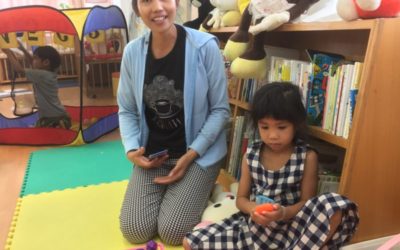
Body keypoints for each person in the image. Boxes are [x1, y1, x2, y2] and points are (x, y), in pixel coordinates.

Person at [183, 82, 359, 249]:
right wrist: (254, 210)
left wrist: (283, 213)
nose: (273, 135)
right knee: (190, 242)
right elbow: (241, 200)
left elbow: (307, 203)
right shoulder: (251, 155)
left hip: (293, 228)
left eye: (281, 127)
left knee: (336, 205)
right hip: (255, 228)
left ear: (295, 125)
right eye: (265, 127)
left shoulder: (307, 156)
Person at [117, 0, 230, 246]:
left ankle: (201, 186)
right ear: (137, 9)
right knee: (134, 229)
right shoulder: (133, 53)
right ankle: (181, 193)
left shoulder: (205, 46)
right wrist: (132, 150)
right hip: (153, 157)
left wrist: (190, 155)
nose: (158, 7)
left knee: (172, 232)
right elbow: (126, 110)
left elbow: (221, 110)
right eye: (147, 1)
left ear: (176, 2)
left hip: (196, 155)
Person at [1, 43, 71, 129]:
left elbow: (19, 70)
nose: (33, 60)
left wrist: (8, 53)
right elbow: (32, 63)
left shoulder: (41, 75)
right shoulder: (48, 72)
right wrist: (23, 50)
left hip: (54, 118)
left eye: (35, 58)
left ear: (46, 62)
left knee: (44, 135)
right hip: (55, 115)